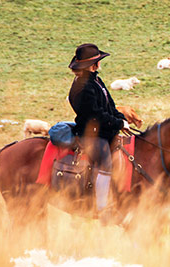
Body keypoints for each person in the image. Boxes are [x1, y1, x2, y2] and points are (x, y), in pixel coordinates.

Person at [67, 43, 129, 220]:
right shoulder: (83, 86)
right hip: (91, 135)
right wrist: (118, 123)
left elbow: (109, 105)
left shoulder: (95, 80)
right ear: (92, 65)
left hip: (104, 130)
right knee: (105, 163)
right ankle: (102, 208)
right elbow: (96, 114)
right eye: (98, 61)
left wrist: (121, 119)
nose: (100, 64)